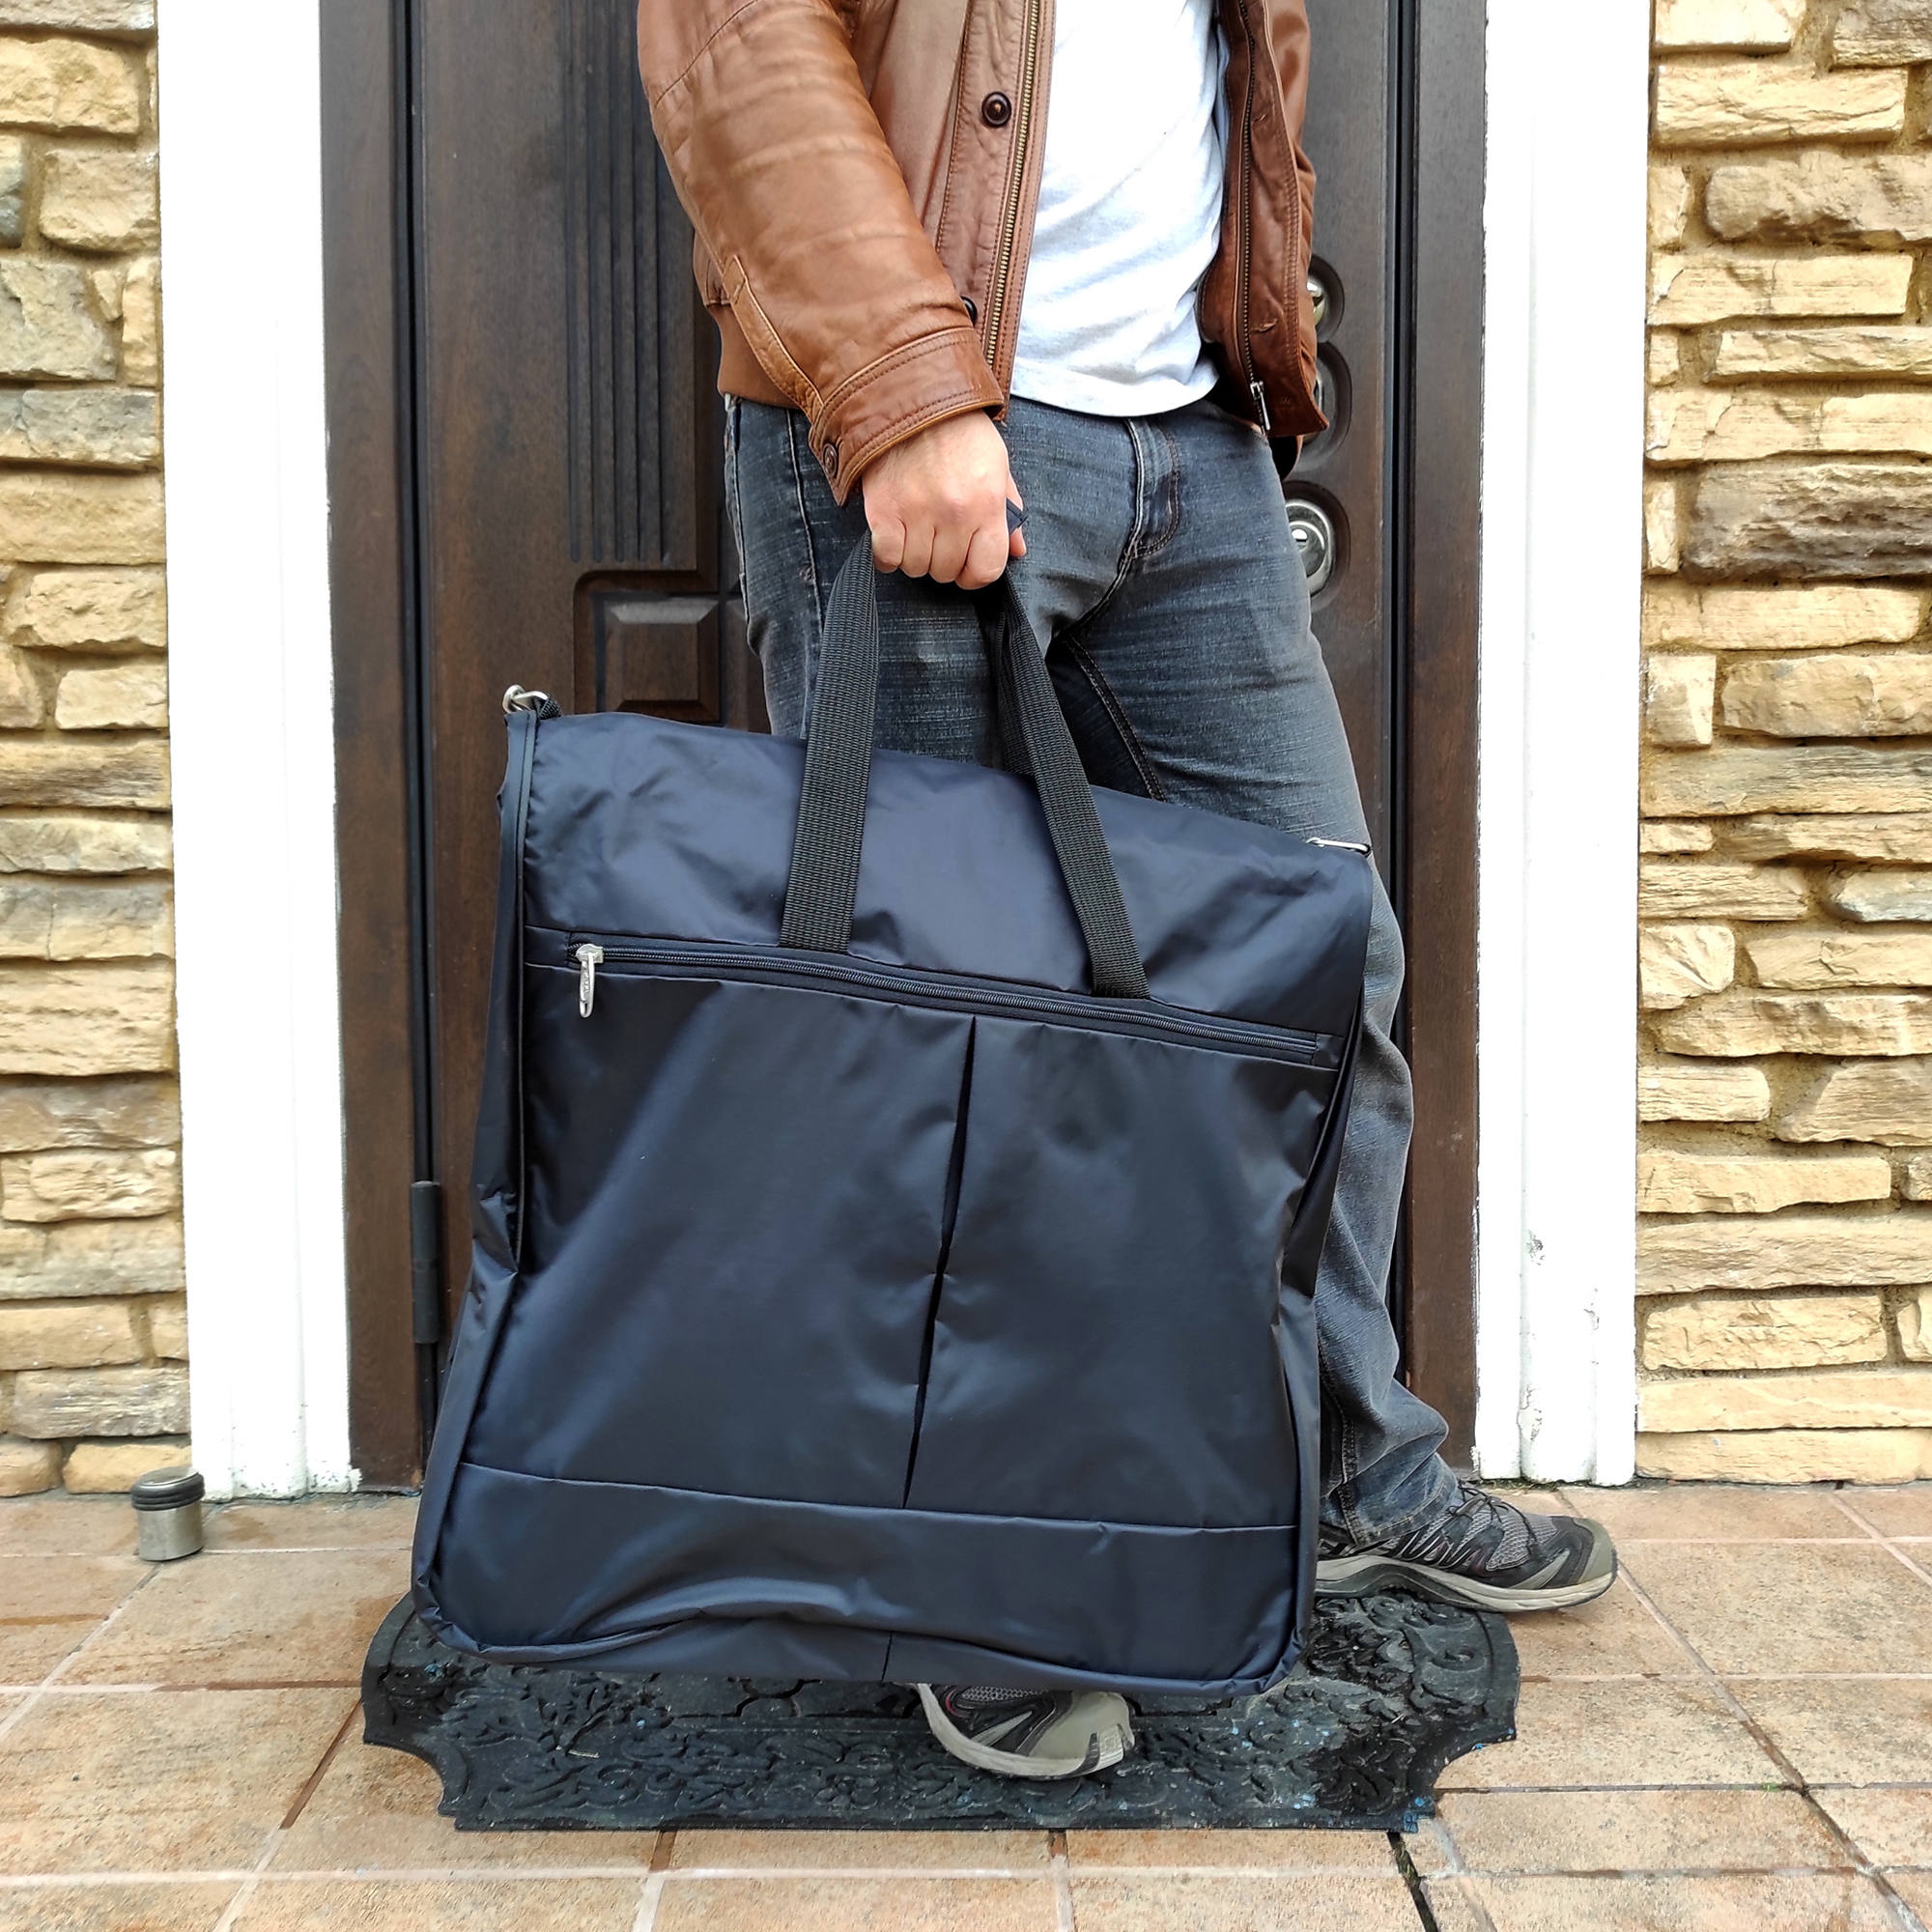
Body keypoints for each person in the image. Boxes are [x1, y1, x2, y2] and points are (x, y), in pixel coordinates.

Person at [636, 0, 1616, 1782]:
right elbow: (742, 42)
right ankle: (962, 1576)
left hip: (1192, 441)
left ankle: (1345, 1463)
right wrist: (902, 395)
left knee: (1314, 963)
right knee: (937, 1026)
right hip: (923, 424)